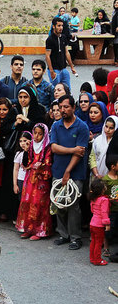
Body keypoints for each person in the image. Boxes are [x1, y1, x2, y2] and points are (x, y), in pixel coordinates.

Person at [50, 95, 89, 250]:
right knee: (58, 202)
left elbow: (80, 154)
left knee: (73, 205)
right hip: (58, 170)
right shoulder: (56, 126)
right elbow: (54, 148)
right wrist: (72, 149)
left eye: (66, 107)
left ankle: (75, 237)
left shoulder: (82, 127)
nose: (62, 110)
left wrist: (68, 171)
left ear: (74, 108)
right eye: (60, 107)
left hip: (76, 172)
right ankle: (63, 234)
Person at [16, 124, 53, 240]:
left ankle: (39, 230)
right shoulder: (31, 145)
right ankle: (28, 228)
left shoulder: (47, 147)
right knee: (27, 202)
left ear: (44, 135)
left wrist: (41, 166)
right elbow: (26, 164)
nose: (37, 136)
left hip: (41, 181)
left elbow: (48, 164)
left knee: (39, 204)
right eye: (35, 133)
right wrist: (26, 151)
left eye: (40, 134)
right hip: (30, 179)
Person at [45, 17, 77, 89]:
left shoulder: (63, 37)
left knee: (67, 90)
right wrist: (51, 71)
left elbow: (66, 52)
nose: (61, 28)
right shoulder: (50, 40)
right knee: (56, 91)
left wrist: (72, 67)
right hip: (55, 70)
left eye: (62, 25)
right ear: (54, 26)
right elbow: (47, 56)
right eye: (59, 26)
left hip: (64, 69)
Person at [88, 179, 110, 266]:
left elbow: (92, 210)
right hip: (99, 225)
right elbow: (104, 212)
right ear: (102, 190)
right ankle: (97, 259)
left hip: (92, 223)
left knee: (93, 241)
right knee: (99, 242)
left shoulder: (93, 198)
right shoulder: (104, 200)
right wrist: (107, 224)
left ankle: (92, 257)